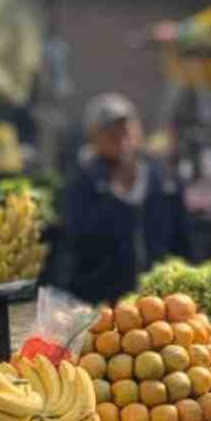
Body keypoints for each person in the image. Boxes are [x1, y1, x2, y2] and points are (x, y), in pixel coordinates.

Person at [65, 93, 190, 304]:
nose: (120, 136)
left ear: (138, 130)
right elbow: (79, 246)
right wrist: (116, 196)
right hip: (104, 307)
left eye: (125, 128)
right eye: (109, 131)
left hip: (164, 304)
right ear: (95, 138)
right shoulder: (82, 184)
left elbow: (183, 239)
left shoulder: (164, 178)